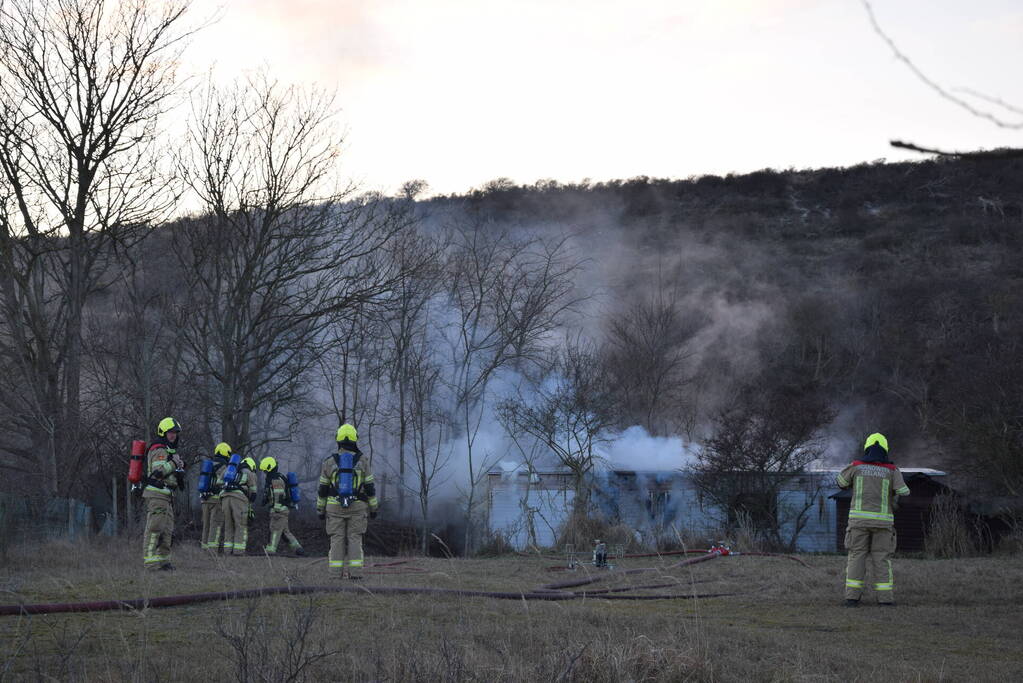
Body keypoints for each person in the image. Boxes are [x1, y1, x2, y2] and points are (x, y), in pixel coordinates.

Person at [837, 432, 911, 607]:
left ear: (867, 449)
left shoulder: (856, 466)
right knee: (881, 559)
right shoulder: (892, 470)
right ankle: (885, 600)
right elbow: (904, 491)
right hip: (883, 523)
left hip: (858, 523)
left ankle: (852, 599)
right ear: (885, 450)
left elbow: (840, 482)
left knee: (856, 557)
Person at [317, 424, 378, 579]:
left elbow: (322, 490)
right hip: (357, 507)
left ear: (338, 440)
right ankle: (356, 574)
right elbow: (370, 488)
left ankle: (335, 574)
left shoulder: (329, 462)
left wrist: (320, 510)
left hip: (334, 508)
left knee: (336, 540)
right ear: (354, 439)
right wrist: (373, 508)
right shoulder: (363, 461)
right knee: (355, 539)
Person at [142, 417, 184, 571]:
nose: (173, 435)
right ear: (163, 433)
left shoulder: (168, 451)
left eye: (175, 433)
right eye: (170, 432)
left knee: (167, 531)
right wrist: (174, 463)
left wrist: (179, 466)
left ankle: (164, 562)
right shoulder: (159, 449)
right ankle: (150, 563)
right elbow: (158, 472)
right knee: (155, 529)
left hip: (166, 496)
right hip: (157, 494)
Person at [260, 456, 305, 556]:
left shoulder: (276, 479)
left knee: (275, 530)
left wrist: (276, 509)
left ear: (269, 468)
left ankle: (270, 550)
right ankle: (299, 549)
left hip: (279, 510)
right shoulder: (276, 477)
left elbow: (278, 494)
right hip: (282, 509)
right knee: (285, 533)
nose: (264, 473)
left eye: (265, 471)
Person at [218, 454, 257, 556]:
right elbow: (253, 492)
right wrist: (249, 500)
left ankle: (227, 551)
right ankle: (238, 551)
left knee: (228, 525)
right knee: (240, 525)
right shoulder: (248, 472)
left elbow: (218, 482)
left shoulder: (228, 470)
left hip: (225, 498)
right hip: (239, 500)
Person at [200, 442, 232, 551]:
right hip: (216, 500)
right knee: (216, 524)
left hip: (204, 499)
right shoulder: (224, 466)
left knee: (206, 526)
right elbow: (222, 482)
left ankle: (204, 549)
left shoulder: (209, 464)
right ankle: (212, 551)